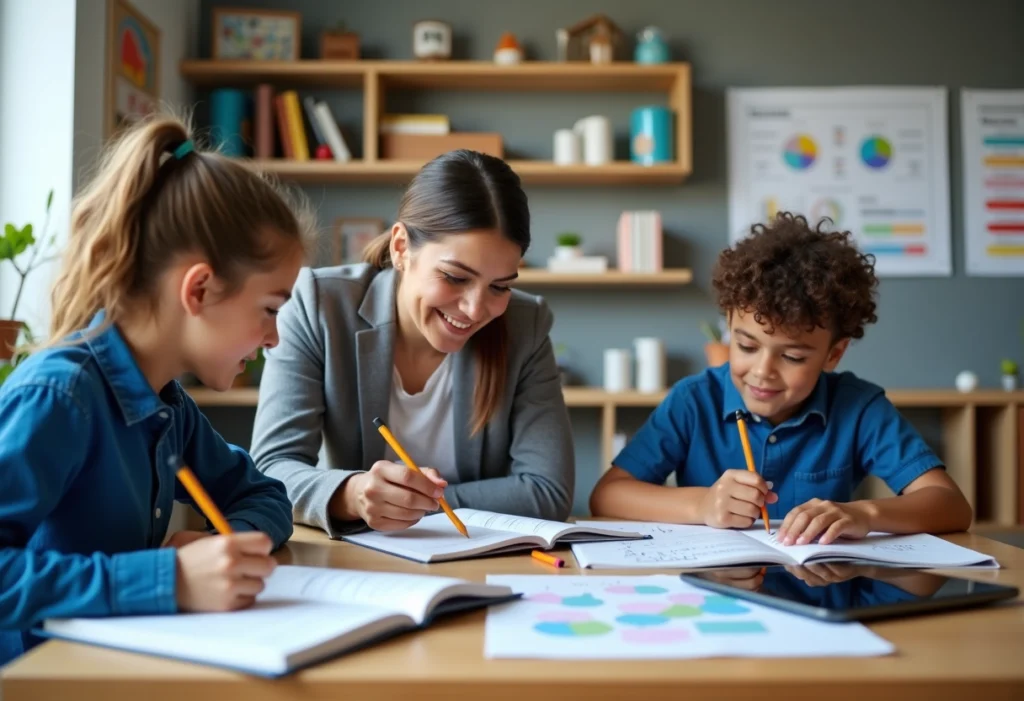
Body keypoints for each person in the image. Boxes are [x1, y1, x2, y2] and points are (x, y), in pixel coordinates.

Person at [0, 115, 306, 666]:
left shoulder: (166, 404)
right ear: (201, 288)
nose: (275, 337)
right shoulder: (60, 397)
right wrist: (165, 579)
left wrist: (224, 548)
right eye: (269, 309)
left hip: (122, 667)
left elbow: (264, 495)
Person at [589, 212, 972, 544]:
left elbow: (951, 505)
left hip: (819, 593)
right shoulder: (694, 400)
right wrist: (701, 504)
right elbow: (608, 496)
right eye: (747, 346)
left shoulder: (859, 407)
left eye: (791, 356)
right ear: (729, 330)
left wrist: (864, 514)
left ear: (833, 354)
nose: (762, 371)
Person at [251, 149, 575, 536]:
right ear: (401, 247)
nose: (474, 309)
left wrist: (411, 505)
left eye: (500, 286)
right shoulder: (319, 305)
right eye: (455, 277)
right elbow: (271, 470)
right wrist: (352, 495)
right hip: (355, 560)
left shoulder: (526, 324)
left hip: (471, 556)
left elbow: (548, 491)